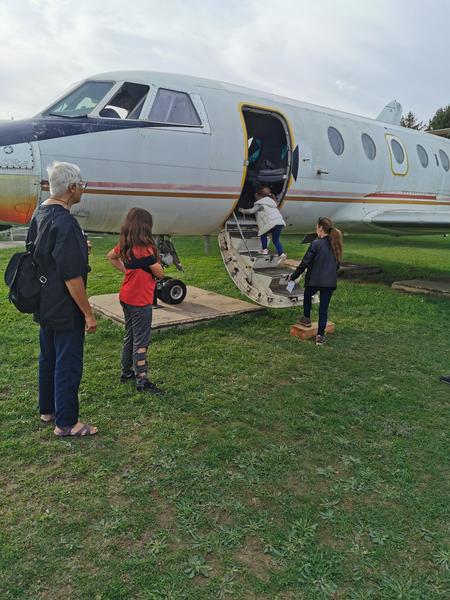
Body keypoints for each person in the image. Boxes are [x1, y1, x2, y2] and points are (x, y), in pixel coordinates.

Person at [26, 161, 98, 437]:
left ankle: (48, 410)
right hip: (64, 305)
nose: (83, 189)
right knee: (67, 362)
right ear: (71, 188)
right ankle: (67, 422)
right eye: (82, 185)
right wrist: (88, 313)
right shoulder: (66, 222)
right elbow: (72, 277)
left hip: (44, 301)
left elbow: (42, 253)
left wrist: (80, 247)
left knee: (49, 357)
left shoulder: (40, 214)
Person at [106, 208, 165, 394]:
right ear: (146, 227)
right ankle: (142, 380)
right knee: (141, 340)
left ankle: (126, 372)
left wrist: (127, 271)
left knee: (129, 336)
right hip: (140, 300)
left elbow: (110, 256)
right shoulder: (147, 249)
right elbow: (160, 273)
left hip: (126, 296)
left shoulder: (125, 245)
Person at [289, 217, 343, 346]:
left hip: (314, 281)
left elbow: (305, 262)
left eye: (316, 227)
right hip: (329, 283)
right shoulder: (335, 243)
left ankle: (306, 318)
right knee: (323, 309)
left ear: (320, 228)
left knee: (307, 295)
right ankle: (320, 336)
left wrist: (294, 276)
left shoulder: (316, 243)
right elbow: (337, 265)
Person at [239, 186, 287, 262]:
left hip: (272, 222)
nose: (255, 198)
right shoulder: (272, 202)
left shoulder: (260, 203)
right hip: (280, 222)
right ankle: (282, 254)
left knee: (263, 233)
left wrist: (242, 210)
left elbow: (251, 211)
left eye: (256, 196)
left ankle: (265, 250)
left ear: (259, 196)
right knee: (276, 240)